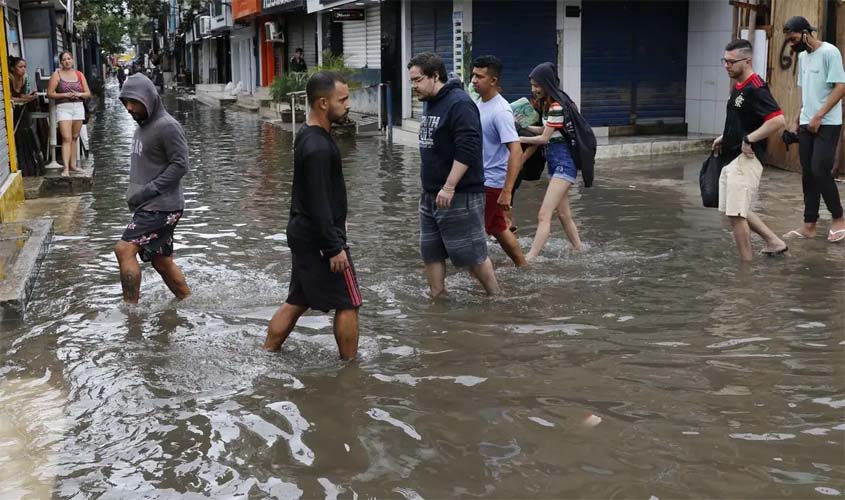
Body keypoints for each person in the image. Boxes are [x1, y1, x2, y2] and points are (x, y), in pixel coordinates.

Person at [263, 71, 361, 360]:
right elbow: (319, 201)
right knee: (349, 302)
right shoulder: (317, 146)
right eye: (342, 100)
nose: (348, 105)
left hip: (303, 233)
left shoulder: (307, 134)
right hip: (319, 239)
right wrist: (334, 247)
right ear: (322, 103)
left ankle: (268, 353)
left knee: (298, 299)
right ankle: (350, 368)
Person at [407, 52, 500, 297]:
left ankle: (496, 298)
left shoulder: (460, 104)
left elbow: (468, 148)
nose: (413, 86)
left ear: (435, 76)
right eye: (412, 81)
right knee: (431, 251)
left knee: (472, 254)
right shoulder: (429, 100)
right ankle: (438, 298)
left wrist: (449, 186)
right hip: (430, 194)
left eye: (417, 80)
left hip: (460, 194)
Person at [114, 74, 191, 303]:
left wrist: (148, 191)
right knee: (162, 262)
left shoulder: (167, 126)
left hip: (161, 207)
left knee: (124, 250)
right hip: (150, 205)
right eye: (126, 102)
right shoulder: (143, 125)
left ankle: (131, 313)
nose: (129, 108)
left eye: (134, 102)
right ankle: (188, 302)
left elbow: (181, 165)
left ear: (148, 99)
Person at [711, 39, 788, 261]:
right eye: (724, 61)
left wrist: (749, 139)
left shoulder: (756, 87)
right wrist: (725, 137)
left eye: (731, 62)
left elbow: (778, 120)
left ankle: (746, 266)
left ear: (747, 61)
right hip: (733, 154)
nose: (727, 66)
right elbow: (743, 120)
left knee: (736, 213)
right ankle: (774, 242)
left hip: (747, 158)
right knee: (734, 210)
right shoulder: (739, 87)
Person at [780, 16, 845, 243]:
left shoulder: (830, 52)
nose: (791, 43)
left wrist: (819, 115)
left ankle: (838, 218)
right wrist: (797, 120)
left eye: (793, 38)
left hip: (827, 123)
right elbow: (806, 93)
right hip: (807, 122)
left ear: (806, 33)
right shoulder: (803, 57)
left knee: (820, 170)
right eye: (788, 40)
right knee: (808, 174)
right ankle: (809, 225)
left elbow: (841, 87)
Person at [519, 62, 583, 259]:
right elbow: (547, 130)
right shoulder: (552, 105)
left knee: (543, 214)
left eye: (537, 85)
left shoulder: (556, 106)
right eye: (532, 85)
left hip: (564, 164)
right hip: (556, 165)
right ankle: (580, 250)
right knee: (563, 215)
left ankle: (530, 258)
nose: (534, 90)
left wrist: (518, 138)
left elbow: (544, 139)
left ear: (547, 84)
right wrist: (522, 126)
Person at [470, 55, 527, 267]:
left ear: (493, 80)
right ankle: (521, 266)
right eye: (473, 75)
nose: (474, 80)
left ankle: (518, 266)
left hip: (492, 181)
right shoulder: (478, 103)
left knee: (494, 227)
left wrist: (507, 190)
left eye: (479, 76)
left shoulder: (500, 111)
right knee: (496, 227)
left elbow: (516, 150)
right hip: (478, 178)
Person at [46, 51, 90, 176]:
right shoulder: (57, 74)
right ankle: (65, 168)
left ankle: (73, 165)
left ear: (72, 60)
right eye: (64, 59)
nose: (67, 61)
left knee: (75, 137)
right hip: (63, 107)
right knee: (66, 138)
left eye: (69, 58)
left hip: (78, 107)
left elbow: (88, 93)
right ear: (61, 62)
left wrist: (79, 94)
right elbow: (50, 93)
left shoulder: (79, 74)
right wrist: (64, 95)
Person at [9, 56, 44, 176]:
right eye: (20, 67)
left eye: (24, 67)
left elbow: (23, 95)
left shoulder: (25, 78)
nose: (23, 69)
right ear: (13, 68)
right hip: (12, 111)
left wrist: (30, 96)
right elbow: (9, 97)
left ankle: (29, 167)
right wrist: (24, 98)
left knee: (26, 133)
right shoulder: (8, 78)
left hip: (22, 109)